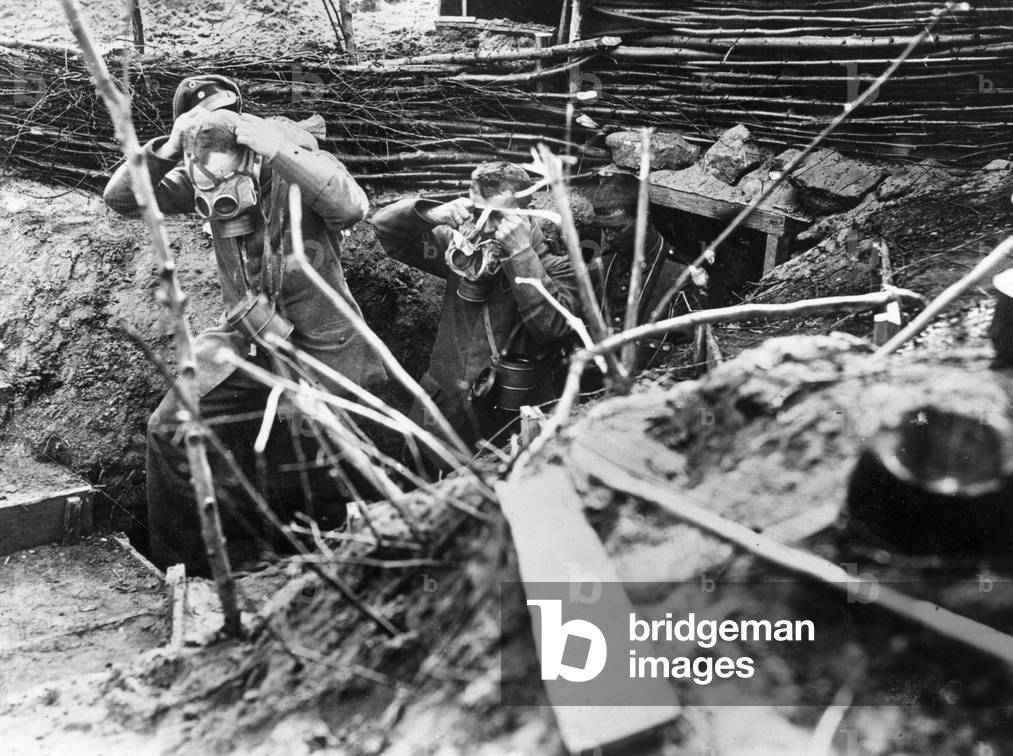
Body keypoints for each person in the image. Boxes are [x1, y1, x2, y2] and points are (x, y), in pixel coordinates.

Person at [104, 74, 385, 572]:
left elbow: (352, 208)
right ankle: (193, 570)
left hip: (324, 338)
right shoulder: (194, 170)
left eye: (232, 183)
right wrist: (167, 150)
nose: (221, 198)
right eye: (208, 186)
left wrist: (277, 150)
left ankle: (344, 575)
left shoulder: (292, 163)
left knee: (330, 460)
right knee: (170, 428)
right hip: (247, 335)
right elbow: (120, 200)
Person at [370, 162, 579, 455]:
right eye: (479, 214)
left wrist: (520, 253)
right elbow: (384, 227)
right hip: (442, 411)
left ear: (526, 213)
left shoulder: (555, 267)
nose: (486, 227)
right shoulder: (464, 252)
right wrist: (432, 214)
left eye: (499, 217)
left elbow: (553, 329)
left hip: (504, 422)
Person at [587, 172, 696, 372]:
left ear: (644, 220)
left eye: (617, 228)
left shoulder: (682, 279)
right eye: (603, 228)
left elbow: (689, 360)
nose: (608, 238)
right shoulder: (601, 266)